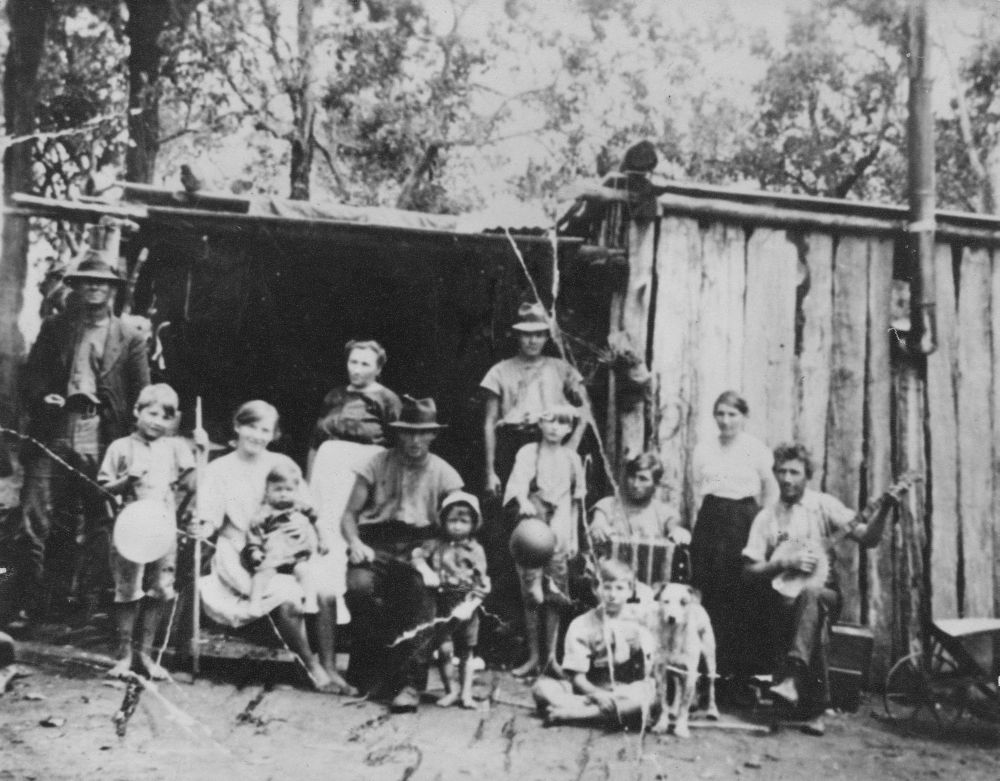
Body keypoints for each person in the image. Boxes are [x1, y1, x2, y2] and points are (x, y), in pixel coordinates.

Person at [18, 253, 150, 617]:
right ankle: (34, 602)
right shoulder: (56, 327)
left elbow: (143, 392)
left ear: (112, 289)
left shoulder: (129, 336)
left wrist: (133, 443)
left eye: (102, 281)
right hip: (56, 428)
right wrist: (44, 395)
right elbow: (30, 376)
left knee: (99, 517)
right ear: (75, 286)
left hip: (101, 432)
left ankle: (90, 604)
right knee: (35, 514)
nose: (94, 286)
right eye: (87, 280)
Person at [195, 400, 354, 694]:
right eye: (251, 427)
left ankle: (331, 667)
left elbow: (305, 506)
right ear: (237, 426)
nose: (257, 435)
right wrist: (202, 526)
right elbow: (210, 519)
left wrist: (304, 528)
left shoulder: (282, 464)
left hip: (289, 547)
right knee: (290, 597)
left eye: (264, 430)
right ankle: (311, 666)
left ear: (274, 434)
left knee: (325, 587)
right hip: (244, 553)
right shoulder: (219, 469)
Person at [742, 443, 896, 736]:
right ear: (774, 473)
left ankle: (792, 678)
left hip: (826, 593)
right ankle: (816, 709)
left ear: (807, 475)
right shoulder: (766, 517)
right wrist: (784, 562)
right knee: (811, 619)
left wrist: (885, 509)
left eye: (795, 472)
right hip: (781, 596)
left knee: (811, 598)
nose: (787, 479)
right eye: (782, 472)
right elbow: (749, 570)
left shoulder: (823, 505)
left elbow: (869, 539)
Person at [342, 395, 464, 712]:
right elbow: (349, 515)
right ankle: (380, 668)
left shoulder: (445, 474)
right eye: (408, 432)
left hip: (420, 545)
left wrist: (435, 552)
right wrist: (355, 543)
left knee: (421, 593)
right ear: (399, 433)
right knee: (358, 589)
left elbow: (457, 523)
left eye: (422, 432)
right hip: (377, 543)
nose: (415, 440)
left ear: (432, 435)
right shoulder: (376, 463)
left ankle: (411, 683)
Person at [98, 383, 194, 679]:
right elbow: (101, 488)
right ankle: (125, 655)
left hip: (163, 527)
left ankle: (146, 655)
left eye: (165, 417)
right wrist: (127, 480)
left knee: (160, 588)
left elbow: (192, 483)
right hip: (130, 526)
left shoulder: (174, 448)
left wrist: (200, 452)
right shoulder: (121, 447)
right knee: (128, 589)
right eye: (151, 413)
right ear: (137, 412)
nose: (157, 421)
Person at [689, 390, 777, 678]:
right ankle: (706, 670)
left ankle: (738, 674)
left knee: (741, 590)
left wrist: (767, 522)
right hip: (711, 520)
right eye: (720, 414)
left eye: (732, 414)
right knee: (708, 587)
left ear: (744, 417)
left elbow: (770, 487)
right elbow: (696, 488)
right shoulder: (703, 448)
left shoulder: (755, 448)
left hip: (744, 520)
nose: (725, 421)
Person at [503, 404, 586, 677]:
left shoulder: (572, 459)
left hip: (560, 527)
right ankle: (533, 656)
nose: (554, 428)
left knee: (555, 594)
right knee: (530, 594)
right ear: (540, 423)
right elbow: (518, 485)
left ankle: (551, 657)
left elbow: (575, 502)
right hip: (534, 527)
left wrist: (573, 536)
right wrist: (524, 501)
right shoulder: (529, 452)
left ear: (570, 428)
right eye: (549, 421)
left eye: (562, 424)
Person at [531, 558, 655, 728]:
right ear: (596, 589)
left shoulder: (638, 622)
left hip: (623, 689)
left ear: (630, 591)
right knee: (542, 688)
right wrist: (598, 694)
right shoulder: (582, 625)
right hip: (588, 690)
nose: (612, 595)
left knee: (650, 694)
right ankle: (608, 714)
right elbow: (578, 678)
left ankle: (573, 714)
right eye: (606, 587)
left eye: (619, 588)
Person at [412, 491, 491, 709]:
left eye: (463, 521)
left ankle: (466, 694)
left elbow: (482, 583)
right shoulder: (436, 544)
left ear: (473, 524)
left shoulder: (475, 550)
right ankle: (451, 690)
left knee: (467, 652)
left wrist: (471, 604)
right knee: (445, 650)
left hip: (466, 604)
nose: (457, 526)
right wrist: (426, 571)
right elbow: (416, 555)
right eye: (452, 520)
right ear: (443, 521)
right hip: (443, 605)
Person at [306, 339, 401, 477]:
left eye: (365, 364)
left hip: (364, 477)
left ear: (378, 369)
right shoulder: (334, 395)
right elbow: (315, 444)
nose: (356, 370)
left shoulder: (387, 400)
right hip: (327, 473)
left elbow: (398, 448)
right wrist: (309, 480)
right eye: (353, 362)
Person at [244, 462, 328, 616]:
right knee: (262, 575)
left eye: (288, 489)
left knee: (304, 571)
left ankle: (310, 601)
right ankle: (254, 603)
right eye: (277, 489)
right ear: (267, 491)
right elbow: (254, 535)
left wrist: (323, 539)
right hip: (274, 556)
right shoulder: (263, 513)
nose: (283, 494)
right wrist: (255, 552)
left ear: (296, 491)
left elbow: (318, 521)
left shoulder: (300, 507)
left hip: (297, 554)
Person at [589, 452, 679, 544]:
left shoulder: (663, 512)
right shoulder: (607, 505)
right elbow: (598, 523)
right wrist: (598, 528)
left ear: (655, 484)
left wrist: (678, 532)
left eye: (643, 479)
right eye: (632, 476)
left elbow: (674, 527)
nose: (635, 484)